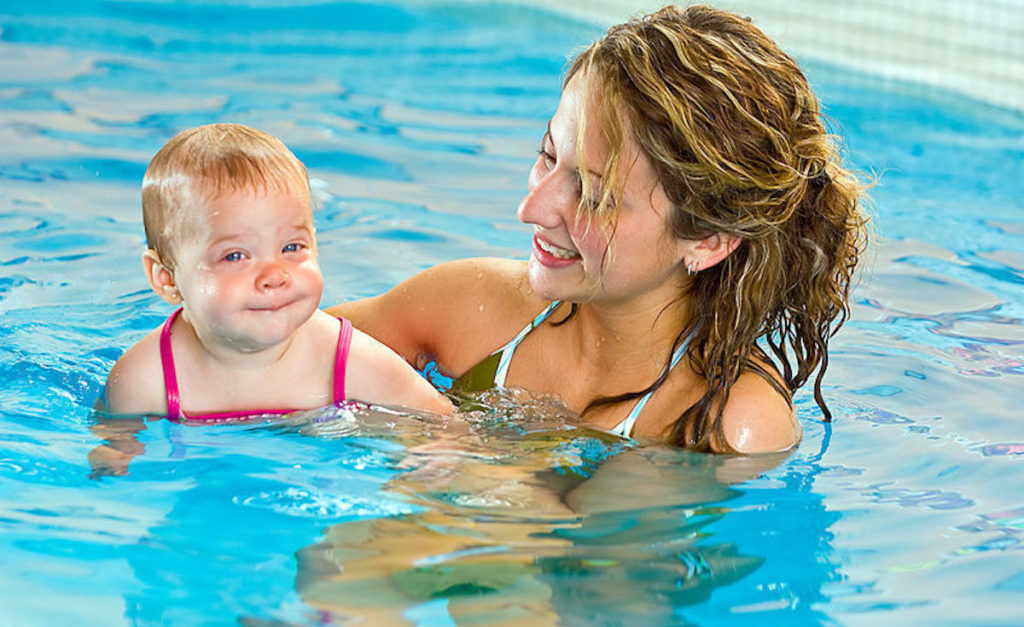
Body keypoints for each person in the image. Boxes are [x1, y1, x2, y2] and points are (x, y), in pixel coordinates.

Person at [329, 5, 869, 453]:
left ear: (707, 240)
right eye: (548, 155)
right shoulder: (469, 309)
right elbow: (270, 355)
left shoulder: (725, 427)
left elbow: (600, 571)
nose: (532, 209)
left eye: (594, 196)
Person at [102, 123, 452, 420]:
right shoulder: (147, 381)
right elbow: (114, 453)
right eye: (236, 256)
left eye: (291, 248)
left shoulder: (347, 362)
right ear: (166, 278)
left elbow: (442, 425)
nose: (274, 275)